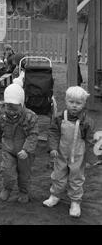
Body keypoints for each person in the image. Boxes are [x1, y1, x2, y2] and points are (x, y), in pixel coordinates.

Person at [43, 86, 96, 218]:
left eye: (78, 103)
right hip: (61, 154)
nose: (74, 106)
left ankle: (75, 201)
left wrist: (90, 158)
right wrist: (53, 148)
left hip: (78, 155)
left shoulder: (86, 121)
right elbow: (53, 133)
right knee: (58, 175)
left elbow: (90, 140)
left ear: (84, 104)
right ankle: (55, 195)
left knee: (76, 179)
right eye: (71, 102)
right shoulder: (60, 117)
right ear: (66, 101)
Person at [0, 83, 39, 203]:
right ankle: (7, 188)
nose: (11, 111)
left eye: (15, 108)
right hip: (8, 148)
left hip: (24, 151)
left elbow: (33, 135)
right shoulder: (2, 115)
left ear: (22, 104)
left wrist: (26, 149)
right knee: (7, 170)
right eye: (9, 107)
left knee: (24, 174)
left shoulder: (30, 116)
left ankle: (24, 191)